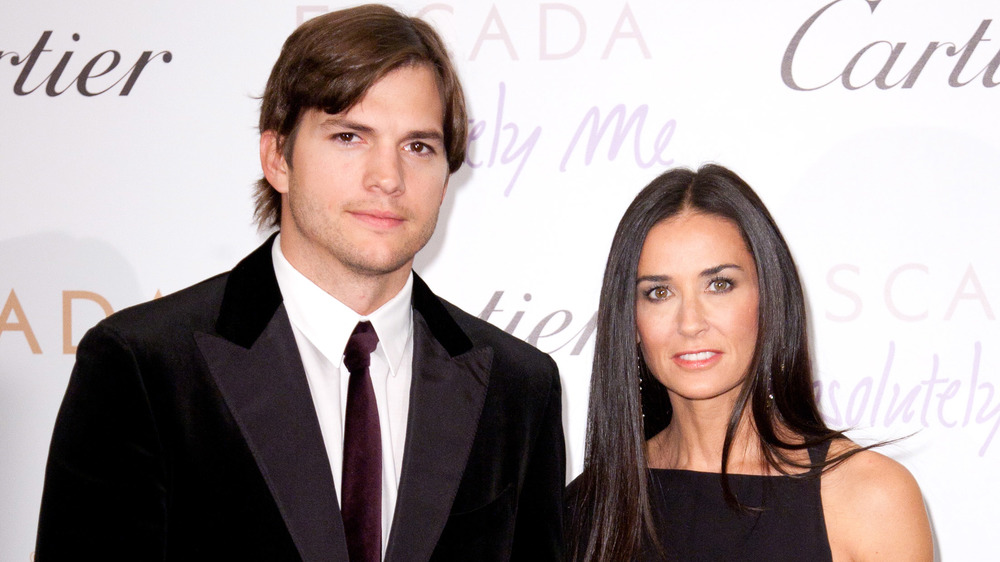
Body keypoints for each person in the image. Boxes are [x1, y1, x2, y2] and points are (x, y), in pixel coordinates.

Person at [35, 5, 564, 561]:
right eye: (349, 137)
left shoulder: (518, 388)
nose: (388, 177)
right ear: (277, 158)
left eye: (418, 146)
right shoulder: (144, 368)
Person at [566, 164, 932, 561]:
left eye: (719, 285)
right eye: (659, 292)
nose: (690, 323)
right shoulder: (587, 506)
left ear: (769, 297)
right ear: (630, 321)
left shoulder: (868, 496)